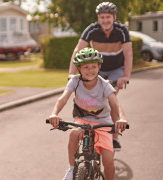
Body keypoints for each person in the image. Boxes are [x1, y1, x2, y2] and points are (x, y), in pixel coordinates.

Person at [49, 47, 128, 180]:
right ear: (79, 68)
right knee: (73, 133)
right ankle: (72, 168)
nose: (90, 70)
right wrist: (54, 113)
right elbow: (62, 99)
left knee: (109, 161)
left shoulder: (104, 84)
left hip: (103, 123)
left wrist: (122, 118)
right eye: (86, 67)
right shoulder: (75, 81)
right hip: (82, 119)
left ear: (99, 67)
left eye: (93, 66)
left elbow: (115, 104)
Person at [68, 2, 132, 151]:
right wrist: (71, 73)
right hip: (98, 68)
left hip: (116, 69)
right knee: (92, 97)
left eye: (108, 17)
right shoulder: (92, 30)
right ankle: (92, 129)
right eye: (102, 17)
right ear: (99, 18)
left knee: (111, 98)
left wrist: (126, 76)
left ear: (114, 17)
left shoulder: (122, 31)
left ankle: (114, 137)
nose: (105, 20)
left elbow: (128, 54)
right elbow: (78, 50)